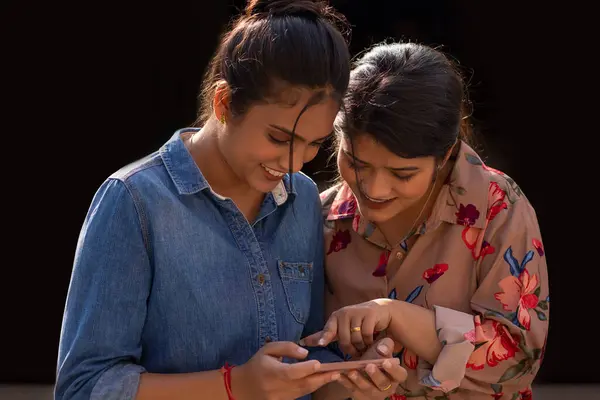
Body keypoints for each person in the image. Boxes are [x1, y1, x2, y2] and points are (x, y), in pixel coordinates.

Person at [55, 1, 407, 399]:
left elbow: (306, 355)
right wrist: (233, 386)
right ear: (224, 103)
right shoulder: (134, 202)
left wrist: (353, 373)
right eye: (278, 138)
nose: (293, 163)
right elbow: (84, 388)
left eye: (313, 144)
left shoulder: (303, 197)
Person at [304, 42, 549, 399]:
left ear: (446, 153)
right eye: (357, 164)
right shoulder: (321, 217)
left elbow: (517, 362)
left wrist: (395, 316)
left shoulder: (496, 207)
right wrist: (351, 381)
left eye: (402, 174)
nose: (374, 188)